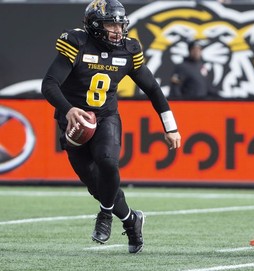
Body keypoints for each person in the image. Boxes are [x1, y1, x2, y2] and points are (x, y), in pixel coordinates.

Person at [41, 0, 181, 254]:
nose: (118, 30)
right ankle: (131, 220)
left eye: (120, 24)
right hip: (73, 122)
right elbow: (49, 84)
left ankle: (105, 215)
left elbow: (152, 88)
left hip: (106, 117)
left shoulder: (128, 50)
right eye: (110, 24)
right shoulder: (76, 43)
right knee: (98, 186)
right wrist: (69, 109)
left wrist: (170, 127)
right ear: (95, 25)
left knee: (107, 162)